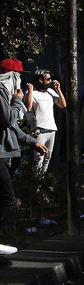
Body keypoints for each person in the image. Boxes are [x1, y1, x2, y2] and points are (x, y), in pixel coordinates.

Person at [1, 58, 48, 249]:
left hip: (6, 154)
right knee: (8, 200)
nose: (19, 79)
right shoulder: (3, 93)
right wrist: (18, 101)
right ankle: (8, 241)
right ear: (11, 76)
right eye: (18, 75)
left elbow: (13, 128)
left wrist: (32, 142)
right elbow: (8, 120)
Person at [25, 68, 67, 173]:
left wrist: (58, 89)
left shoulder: (50, 92)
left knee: (48, 158)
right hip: (39, 129)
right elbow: (28, 107)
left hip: (51, 128)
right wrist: (30, 92)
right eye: (48, 79)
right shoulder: (32, 93)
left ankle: (42, 180)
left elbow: (63, 104)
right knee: (38, 158)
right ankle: (36, 184)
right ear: (40, 80)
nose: (50, 81)